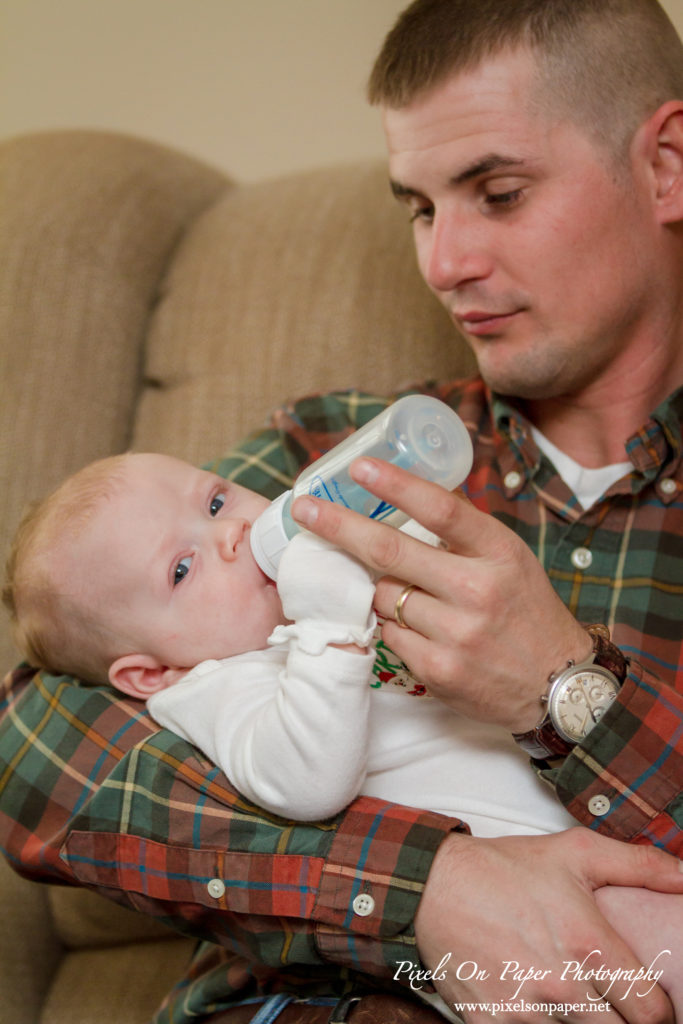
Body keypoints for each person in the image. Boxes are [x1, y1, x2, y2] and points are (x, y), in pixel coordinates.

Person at [1, 0, 683, 1021]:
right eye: (417, 207)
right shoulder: (328, 452)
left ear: (665, 164)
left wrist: (567, 689)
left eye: (496, 193)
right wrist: (422, 888)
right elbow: (43, 728)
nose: (443, 263)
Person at [4, 448, 682, 1018]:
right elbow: (307, 783)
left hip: (587, 836)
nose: (233, 535)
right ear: (150, 672)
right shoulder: (215, 686)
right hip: (512, 933)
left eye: (215, 502)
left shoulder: (321, 581)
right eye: (182, 569)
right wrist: (326, 627)